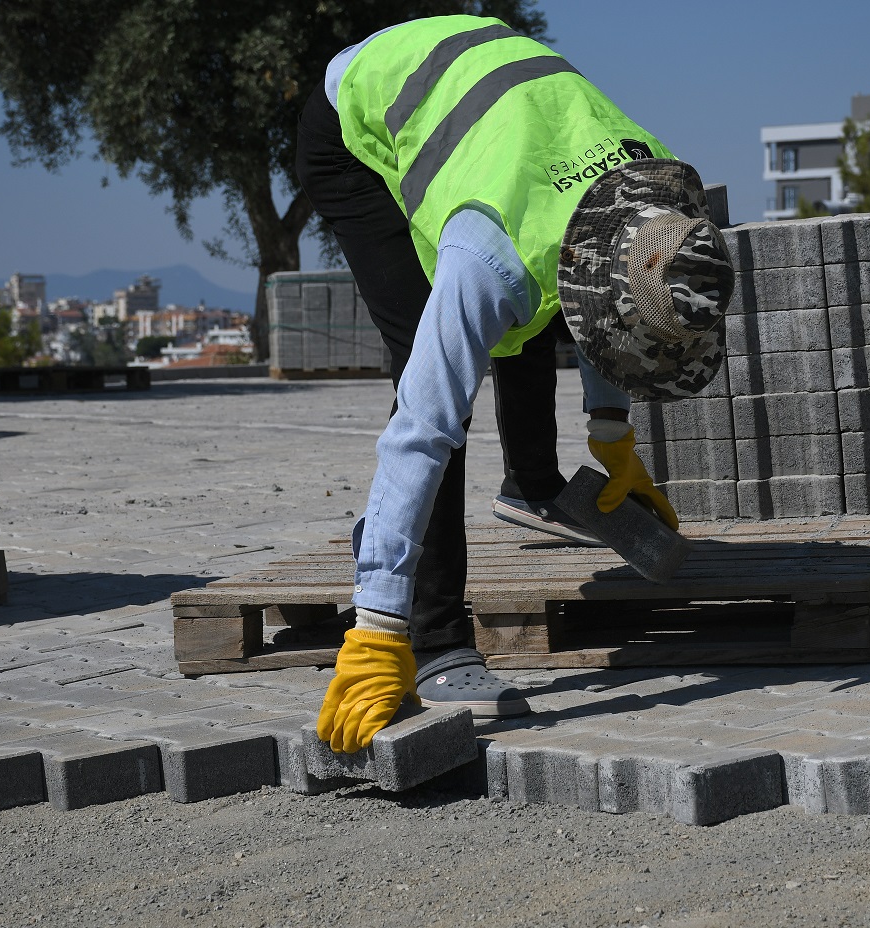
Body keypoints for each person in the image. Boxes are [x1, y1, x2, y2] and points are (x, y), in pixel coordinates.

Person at [295, 15, 734, 754]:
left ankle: (530, 485)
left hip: (493, 110)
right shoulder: (488, 250)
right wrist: (374, 628)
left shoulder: (658, 200)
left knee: (529, 300)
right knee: (432, 360)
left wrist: (612, 437)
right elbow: (422, 427)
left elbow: (607, 302)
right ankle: (430, 637)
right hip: (354, 124)